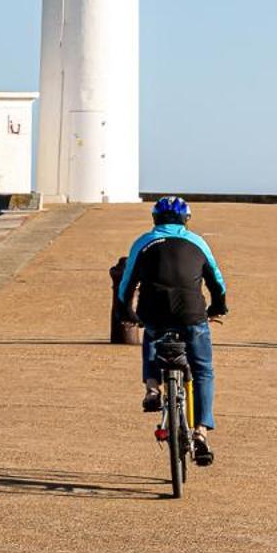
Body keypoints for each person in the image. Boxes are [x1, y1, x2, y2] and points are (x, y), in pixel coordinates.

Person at [117, 197, 228, 466]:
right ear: (185, 220)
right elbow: (216, 281)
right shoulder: (198, 242)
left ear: (155, 219)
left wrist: (126, 313)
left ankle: (153, 389)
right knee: (202, 369)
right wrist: (218, 307)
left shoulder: (143, 242)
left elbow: (127, 283)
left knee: (152, 336)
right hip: (191, 314)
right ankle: (200, 432)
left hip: (154, 312)